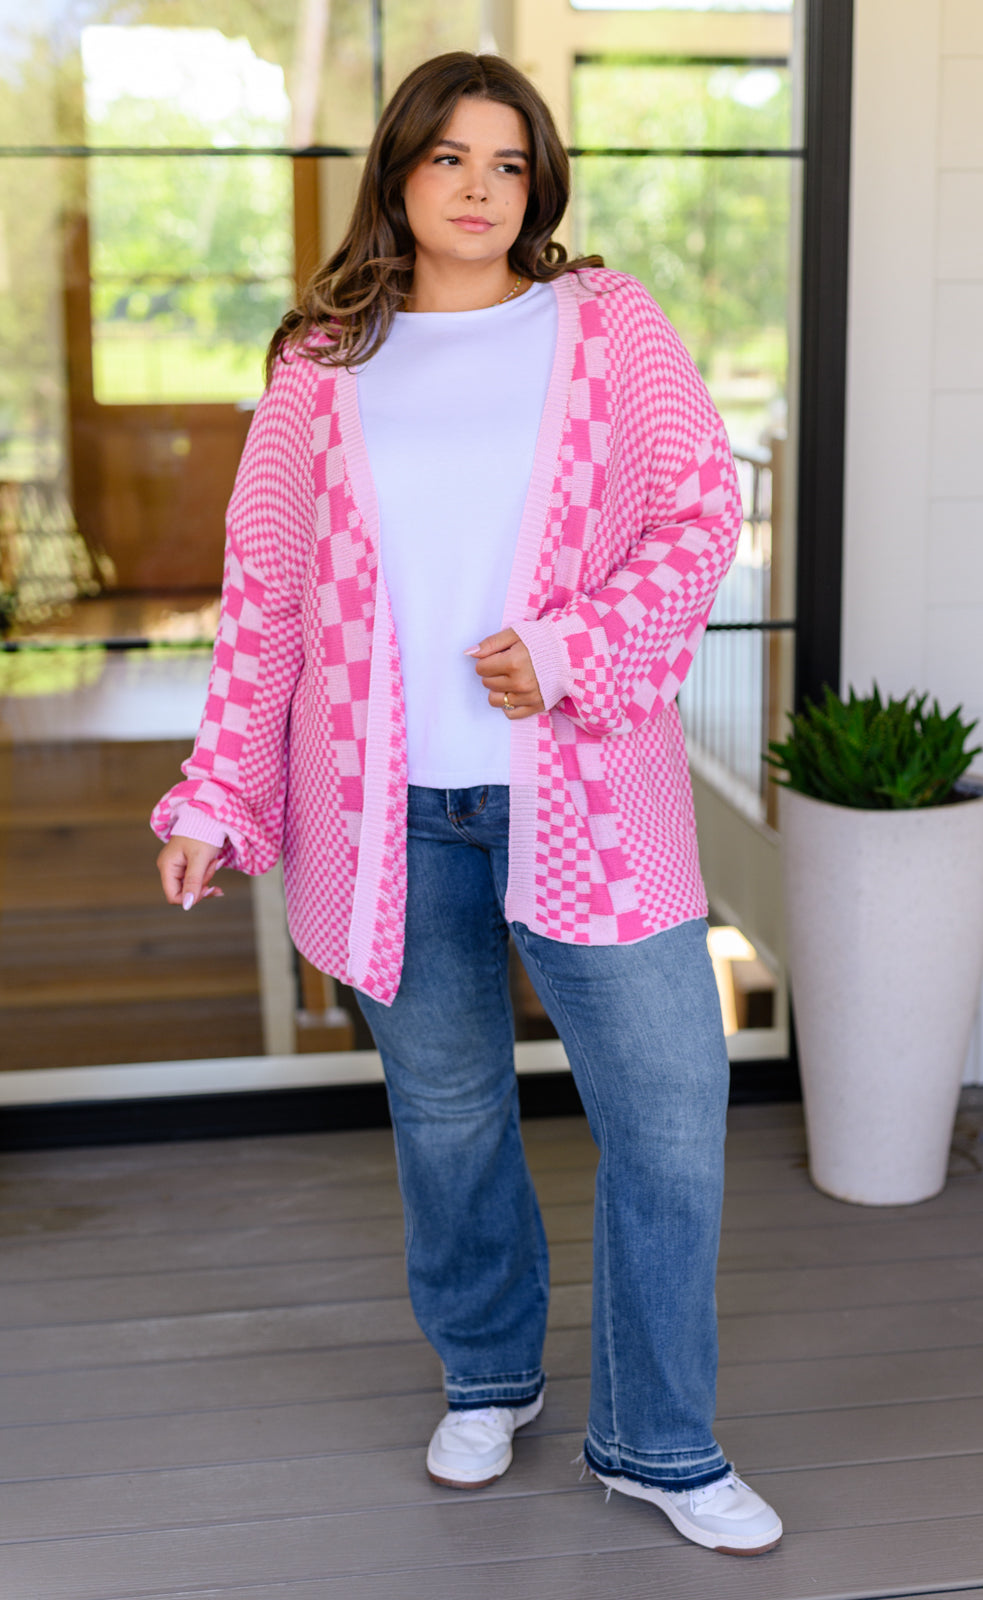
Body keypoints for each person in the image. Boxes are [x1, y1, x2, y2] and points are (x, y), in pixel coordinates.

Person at [153, 51, 782, 1557]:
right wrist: (216, 787)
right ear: (399, 173)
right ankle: (488, 1374)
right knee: (448, 1117)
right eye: (449, 158)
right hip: (386, 813)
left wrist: (571, 650)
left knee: (671, 1117)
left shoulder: (606, 324)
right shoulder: (322, 368)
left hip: (590, 800)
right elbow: (266, 594)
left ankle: (659, 1443)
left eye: (508, 163)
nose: (480, 188)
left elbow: (701, 511)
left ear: (538, 184)